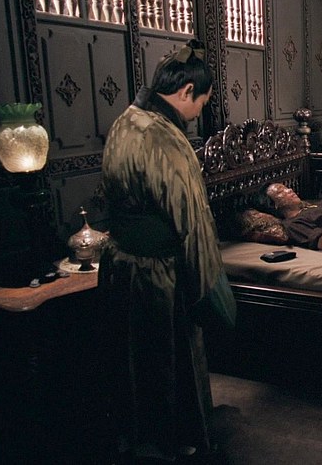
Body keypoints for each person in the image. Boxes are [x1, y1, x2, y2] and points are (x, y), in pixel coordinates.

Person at [98, 39, 236, 464]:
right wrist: (210, 290)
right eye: (201, 103)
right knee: (169, 359)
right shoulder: (167, 140)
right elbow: (193, 224)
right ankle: (176, 439)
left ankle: (133, 435)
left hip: (120, 264)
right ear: (186, 92)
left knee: (130, 358)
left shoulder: (124, 122)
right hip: (160, 273)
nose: (197, 114)